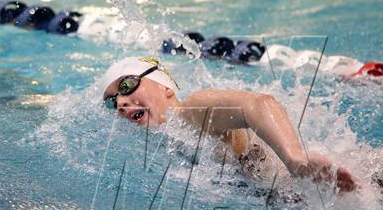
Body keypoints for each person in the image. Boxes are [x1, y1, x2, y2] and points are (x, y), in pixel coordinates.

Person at [103, 57, 357, 192]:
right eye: (112, 102)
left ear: (165, 87)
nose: (121, 102)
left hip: (315, 180)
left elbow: (257, 104)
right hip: (299, 193)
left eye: (126, 85)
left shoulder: (191, 111)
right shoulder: (165, 142)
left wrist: (295, 159)